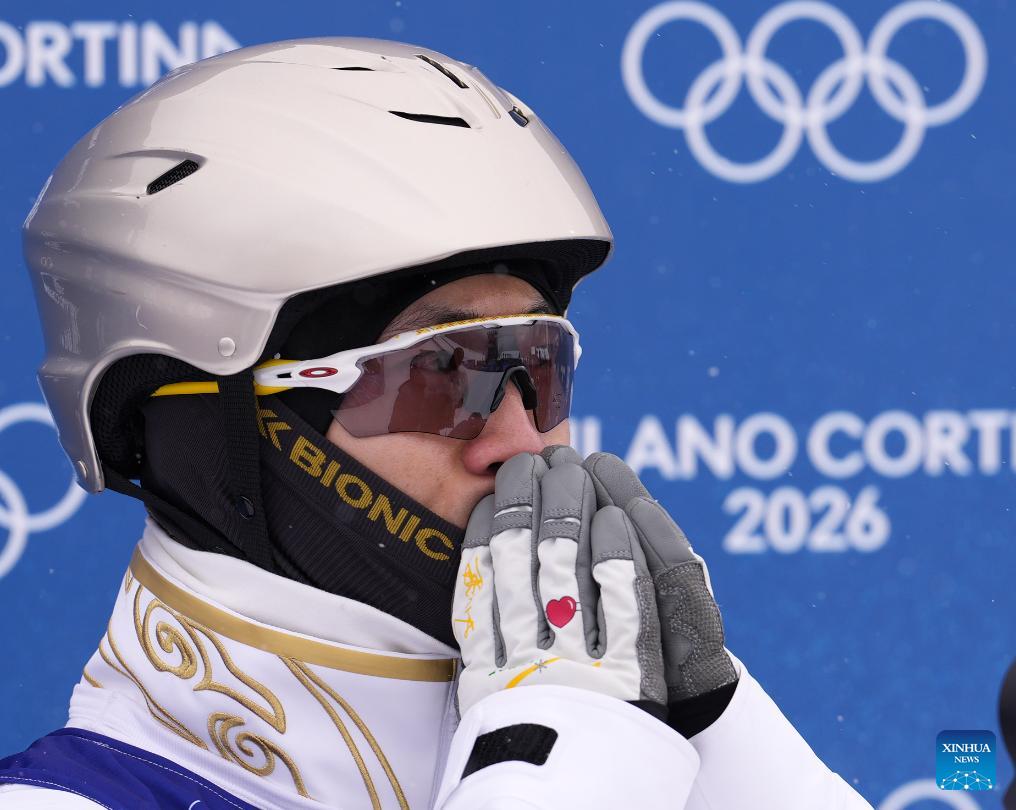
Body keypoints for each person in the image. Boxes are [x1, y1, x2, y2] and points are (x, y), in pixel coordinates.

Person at [0, 37, 872, 809]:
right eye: (440, 373)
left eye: (541, 366)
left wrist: (713, 736)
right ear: (214, 437)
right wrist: (558, 764)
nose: (521, 442)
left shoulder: (630, 759)